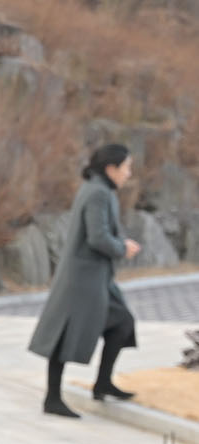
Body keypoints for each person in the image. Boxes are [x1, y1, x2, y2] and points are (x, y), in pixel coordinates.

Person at [30, 144, 141, 418]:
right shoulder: (98, 193)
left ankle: (102, 383)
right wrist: (122, 248)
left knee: (122, 323)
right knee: (64, 334)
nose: (129, 173)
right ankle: (52, 398)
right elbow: (97, 237)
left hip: (95, 278)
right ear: (111, 168)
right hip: (82, 280)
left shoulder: (100, 190)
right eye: (126, 167)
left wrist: (120, 245)